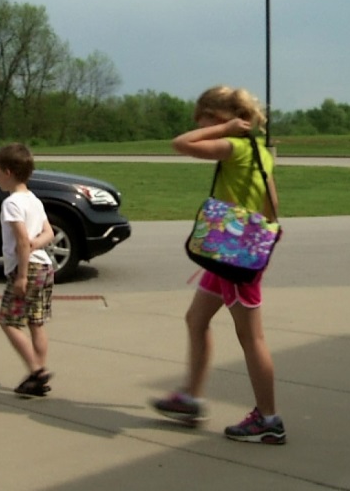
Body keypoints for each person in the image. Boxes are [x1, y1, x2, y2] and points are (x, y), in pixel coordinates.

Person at [151, 85, 285, 444]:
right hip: (227, 252)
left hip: (236, 257)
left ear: (220, 117)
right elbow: (273, 200)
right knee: (196, 319)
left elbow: (181, 143)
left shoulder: (234, 145)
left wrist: (223, 130)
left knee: (251, 337)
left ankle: (268, 419)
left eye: (204, 118)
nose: (199, 125)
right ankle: (191, 398)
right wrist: (267, 237)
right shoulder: (259, 150)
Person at [0, 143, 56, 396]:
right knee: (36, 322)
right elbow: (49, 233)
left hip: (26, 269)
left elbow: (20, 240)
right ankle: (38, 372)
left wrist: (20, 275)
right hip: (45, 267)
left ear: (8, 173)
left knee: (8, 321)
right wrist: (35, 244)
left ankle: (35, 370)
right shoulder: (34, 199)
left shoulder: (12, 203)